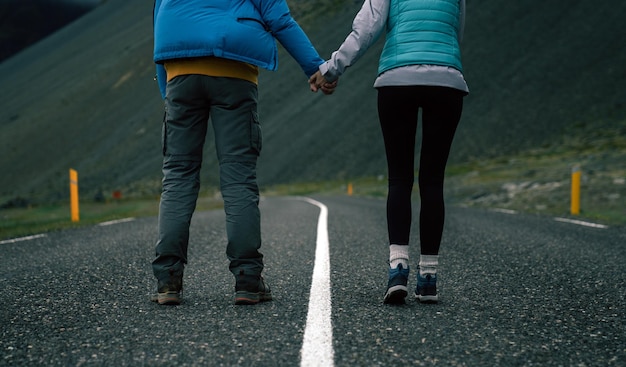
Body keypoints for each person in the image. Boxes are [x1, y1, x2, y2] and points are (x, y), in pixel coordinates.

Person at [151, 0, 329, 305]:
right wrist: (316, 68)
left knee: (178, 176)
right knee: (237, 178)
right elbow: (280, 21)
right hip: (234, 71)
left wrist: (169, 91)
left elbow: (159, 20)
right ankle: (247, 279)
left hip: (180, 69)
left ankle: (168, 281)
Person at [310, 0, 469, 304]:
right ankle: (428, 278)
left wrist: (331, 69)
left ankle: (398, 271)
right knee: (433, 181)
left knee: (399, 179)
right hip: (447, 81)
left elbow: (366, 28)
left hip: (398, 81)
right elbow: (456, 30)